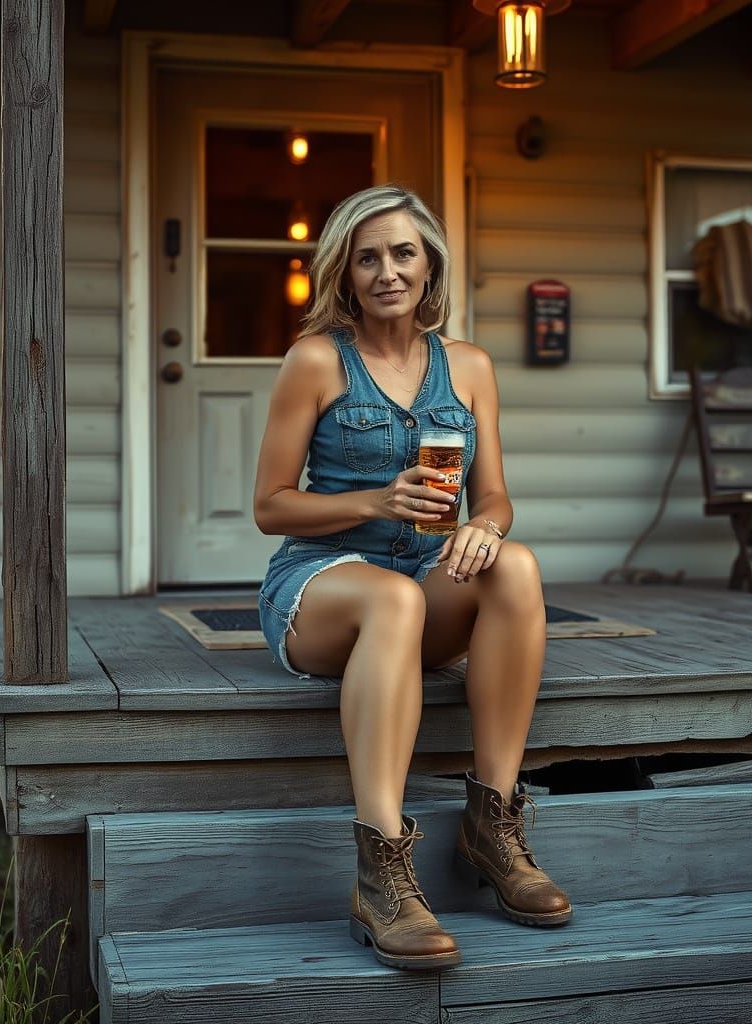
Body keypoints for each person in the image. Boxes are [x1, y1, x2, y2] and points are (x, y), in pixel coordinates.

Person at [254, 184, 571, 972]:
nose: (387, 271)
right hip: (321, 585)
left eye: (402, 253)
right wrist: (371, 499)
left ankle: (493, 825)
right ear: (345, 273)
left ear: (430, 264)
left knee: (517, 565)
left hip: (422, 582)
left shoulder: (467, 367)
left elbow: (494, 494)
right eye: (368, 258)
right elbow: (269, 506)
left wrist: (483, 527)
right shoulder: (318, 360)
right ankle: (382, 871)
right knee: (390, 593)